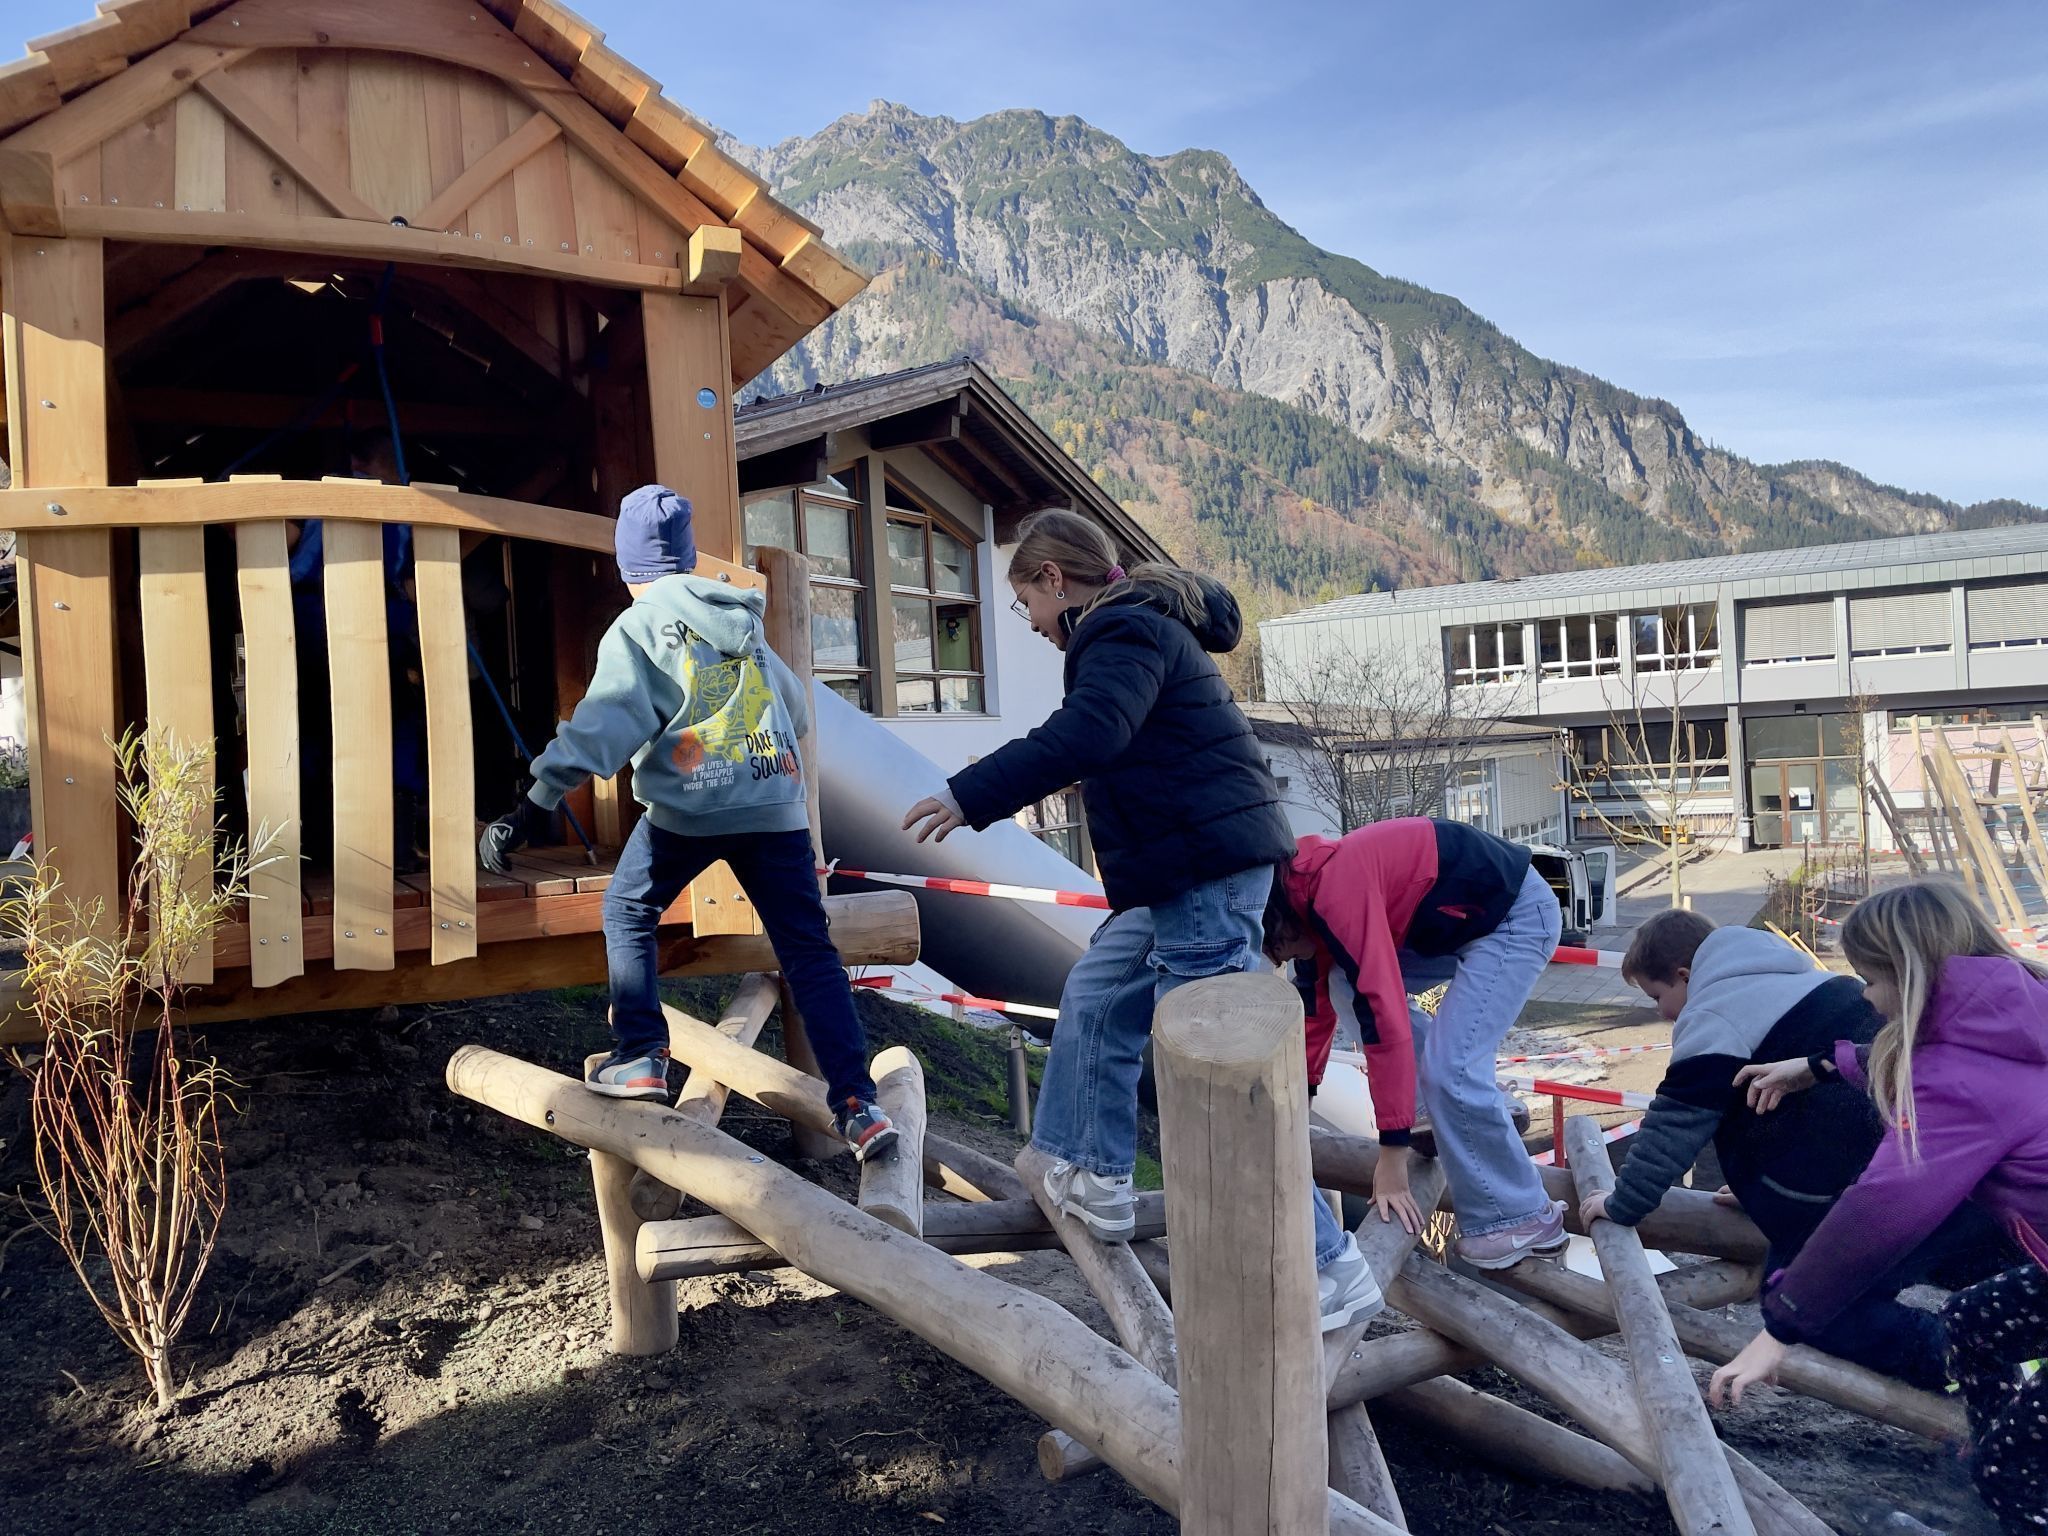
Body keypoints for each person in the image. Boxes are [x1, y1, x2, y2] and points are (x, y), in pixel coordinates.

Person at [900, 510, 1380, 1331]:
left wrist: (968, 793)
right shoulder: (1145, 627)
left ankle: (1330, 1267)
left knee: (1218, 1084)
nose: (1035, 627)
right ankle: (1094, 1174)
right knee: (1096, 989)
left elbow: (1092, 733)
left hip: (1199, 874)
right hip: (1182, 874)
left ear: (1055, 580)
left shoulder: (1120, 631)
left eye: (1028, 605)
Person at [480, 485, 896, 1162]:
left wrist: (535, 805)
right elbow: (793, 708)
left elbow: (601, 727)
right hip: (775, 805)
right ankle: (857, 1104)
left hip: (692, 808)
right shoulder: (740, 616)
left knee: (627, 909)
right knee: (809, 953)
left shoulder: (638, 629)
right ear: (684, 557)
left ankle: (641, 1053)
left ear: (628, 568)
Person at [1708, 881, 2048, 1533]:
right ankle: (1999, 1474)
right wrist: (1823, 1065)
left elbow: (1881, 1210)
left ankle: (2015, 1485)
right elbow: (1947, 1065)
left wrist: (1781, 1326)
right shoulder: (2015, 1006)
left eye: (1868, 977)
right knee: (1973, 1323)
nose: (1863, 995)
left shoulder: (1958, 1079)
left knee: (2015, 1466)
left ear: (1908, 971)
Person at [1587, 908, 2003, 1387]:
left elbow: (1674, 1125)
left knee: (1802, 1305)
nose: (1660, 1012)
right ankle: (1998, 1358)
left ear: (1685, 975)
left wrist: (1624, 1204)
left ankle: (1958, 1363)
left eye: (1658, 996)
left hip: (1842, 1192)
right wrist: (1755, 1188)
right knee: (1979, 1272)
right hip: (1932, 1174)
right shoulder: (1811, 982)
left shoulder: (1714, 1012)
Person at [1262, 818, 1567, 1270]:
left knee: (1454, 1068)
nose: (1289, 960)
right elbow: (1315, 1013)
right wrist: (1298, 1109)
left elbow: (1384, 1020)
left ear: (1282, 923)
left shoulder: (1335, 893)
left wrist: (1392, 1154)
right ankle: (1430, 1107)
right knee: (1340, 980)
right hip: (1453, 923)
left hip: (1513, 916)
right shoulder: (1304, 897)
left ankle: (1522, 1216)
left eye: (1284, 952)